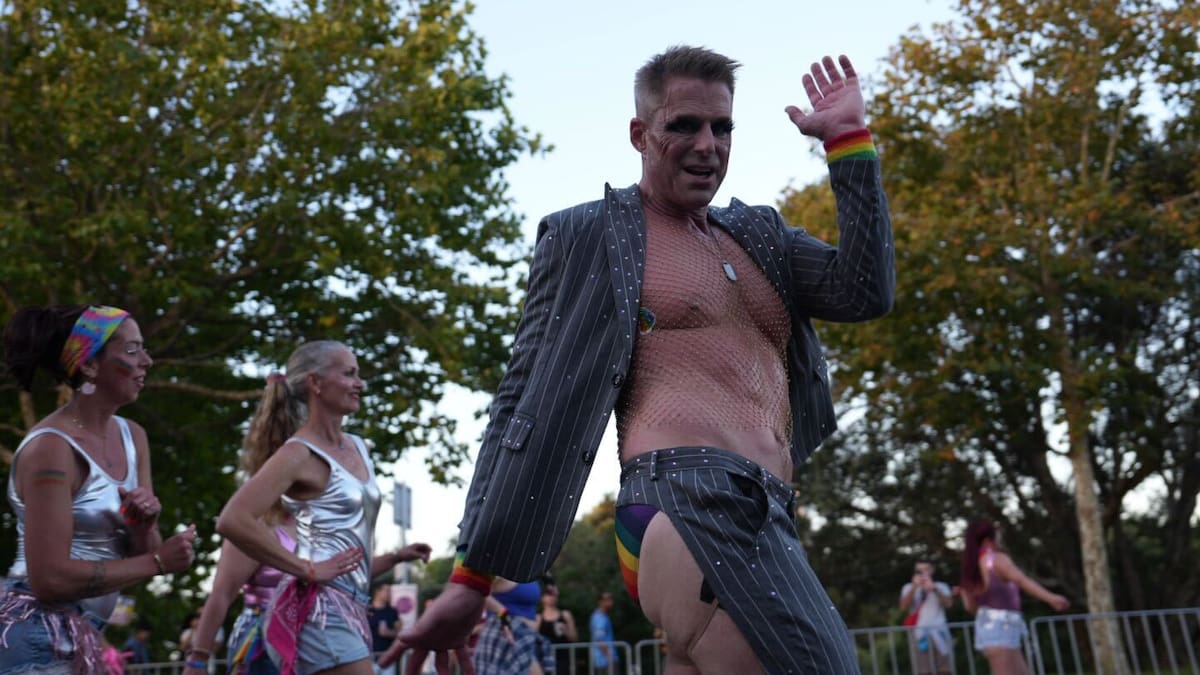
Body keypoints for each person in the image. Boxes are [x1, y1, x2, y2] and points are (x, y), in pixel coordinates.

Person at [382, 45, 894, 675]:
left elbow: (864, 290)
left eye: (722, 126)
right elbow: (523, 398)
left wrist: (848, 141)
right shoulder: (589, 236)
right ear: (640, 133)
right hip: (687, 494)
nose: (707, 144)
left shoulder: (762, 235)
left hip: (769, 508)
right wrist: (471, 575)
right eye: (683, 125)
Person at [0, 304, 198, 673]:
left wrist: (144, 529)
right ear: (89, 366)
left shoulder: (132, 436)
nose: (148, 361)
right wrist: (157, 562)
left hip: (84, 635)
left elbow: (141, 560)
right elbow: (48, 580)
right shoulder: (51, 448)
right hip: (32, 633)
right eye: (133, 350)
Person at [216, 340, 432, 675]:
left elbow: (342, 551)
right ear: (316, 383)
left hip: (352, 605)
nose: (360, 383)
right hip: (319, 612)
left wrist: (395, 558)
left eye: (358, 374)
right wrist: (306, 568)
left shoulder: (359, 446)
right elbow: (233, 519)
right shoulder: (298, 453)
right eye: (349, 374)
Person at [182, 383, 305, 675]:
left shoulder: (317, 517)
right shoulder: (254, 520)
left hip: (312, 641)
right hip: (264, 647)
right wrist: (197, 660)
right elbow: (222, 593)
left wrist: (395, 558)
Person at [957, 520, 1070, 675]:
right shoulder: (996, 559)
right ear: (988, 540)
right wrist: (1051, 598)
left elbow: (969, 607)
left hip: (991, 627)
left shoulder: (971, 567)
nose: (1000, 540)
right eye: (998, 537)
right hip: (1002, 627)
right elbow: (1021, 580)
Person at [473, 578, 554, 675]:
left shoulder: (529, 571)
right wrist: (502, 612)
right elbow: (476, 590)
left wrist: (549, 580)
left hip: (525, 639)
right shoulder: (503, 570)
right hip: (505, 636)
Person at [899, 560, 953, 674]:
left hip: (940, 631)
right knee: (923, 670)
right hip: (919, 634)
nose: (923, 573)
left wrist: (934, 589)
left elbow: (948, 604)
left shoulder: (941, 586)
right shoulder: (908, 587)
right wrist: (914, 587)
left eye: (926, 569)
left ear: (932, 570)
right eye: (919, 571)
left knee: (945, 669)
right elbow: (903, 607)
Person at [536, 582, 577, 675]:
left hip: (563, 660)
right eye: (549, 594)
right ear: (543, 597)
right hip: (545, 660)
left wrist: (565, 630)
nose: (552, 597)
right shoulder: (538, 618)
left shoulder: (566, 615)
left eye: (554, 594)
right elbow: (534, 641)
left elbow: (574, 638)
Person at [369, 585, 401, 675]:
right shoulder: (367, 610)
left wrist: (389, 633)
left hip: (387, 657)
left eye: (390, 591)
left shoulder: (392, 611)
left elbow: (399, 633)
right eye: (387, 591)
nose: (389, 594)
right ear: (378, 592)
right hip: (369, 657)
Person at [588, 593, 614, 675]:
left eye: (611, 599)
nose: (611, 602)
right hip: (604, 660)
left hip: (603, 660)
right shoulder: (600, 618)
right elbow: (600, 639)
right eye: (607, 600)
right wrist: (610, 657)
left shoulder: (602, 616)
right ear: (600, 602)